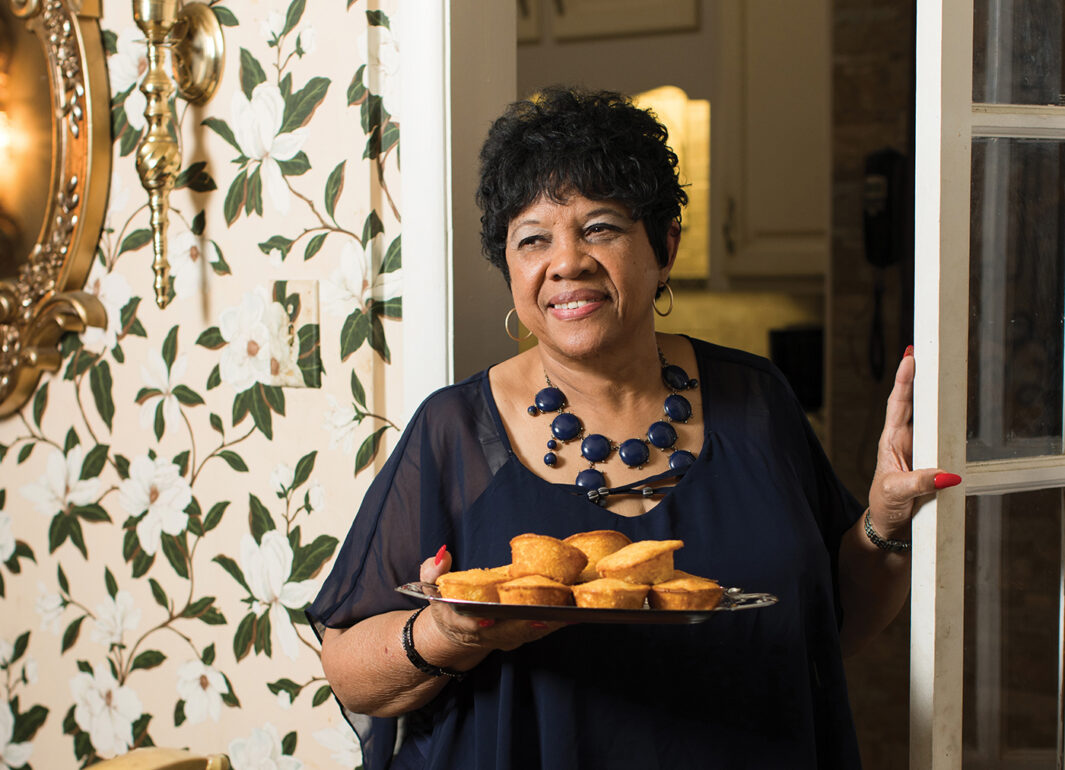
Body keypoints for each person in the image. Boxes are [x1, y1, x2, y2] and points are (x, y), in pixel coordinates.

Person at [308, 87, 960, 770]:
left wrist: (884, 521)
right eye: (533, 239)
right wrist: (448, 632)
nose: (567, 262)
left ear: (664, 247)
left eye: (601, 228)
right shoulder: (455, 430)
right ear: (509, 267)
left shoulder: (756, 400)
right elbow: (350, 672)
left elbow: (830, 627)